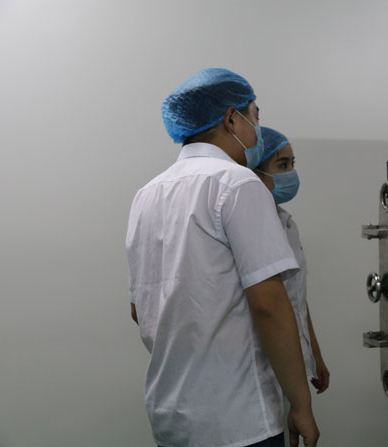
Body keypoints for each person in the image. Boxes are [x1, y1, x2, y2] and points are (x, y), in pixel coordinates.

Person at [125, 68, 319, 447]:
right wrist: (301, 404)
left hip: (170, 416)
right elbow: (269, 305)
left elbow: (139, 309)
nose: (257, 130)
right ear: (232, 119)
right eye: (255, 117)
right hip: (237, 419)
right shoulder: (237, 183)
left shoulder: (146, 195)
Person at [252, 127, 330, 395]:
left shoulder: (286, 223)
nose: (291, 173)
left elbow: (296, 298)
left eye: (292, 164)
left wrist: (314, 355)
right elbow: (269, 307)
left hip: (293, 363)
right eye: (282, 165)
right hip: (265, 369)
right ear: (255, 172)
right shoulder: (250, 228)